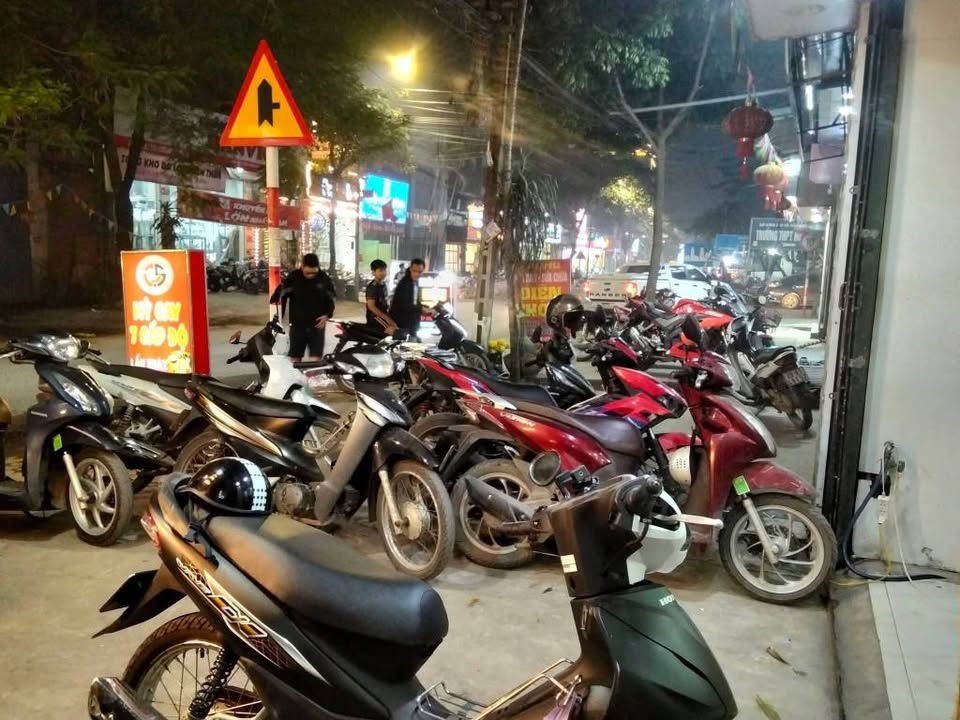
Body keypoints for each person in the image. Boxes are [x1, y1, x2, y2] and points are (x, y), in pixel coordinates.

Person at [269, 253, 335, 361]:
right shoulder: (294, 278)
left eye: (313, 273)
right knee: (295, 358)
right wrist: (279, 317)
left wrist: (327, 315)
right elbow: (282, 294)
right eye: (308, 273)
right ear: (302, 267)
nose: (311, 276)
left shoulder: (323, 278)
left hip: (317, 326)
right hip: (297, 326)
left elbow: (331, 299)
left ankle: (313, 372)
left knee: (316, 360)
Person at [389, 258, 427, 336]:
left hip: (412, 321)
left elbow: (414, 301)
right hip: (402, 323)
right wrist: (421, 309)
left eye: (419, 272)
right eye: (414, 271)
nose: (416, 274)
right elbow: (404, 304)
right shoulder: (404, 283)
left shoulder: (415, 282)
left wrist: (425, 308)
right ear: (410, 269)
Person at [365, 259, 396, 334]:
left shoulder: (383, 284)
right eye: (381, 270)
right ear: (373, 272)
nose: (384, 273)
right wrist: (386, 318)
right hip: (375, 317)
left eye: (385, 270)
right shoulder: (372, 287)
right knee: (394, 331)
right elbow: (371, 307)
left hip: (384, 314)